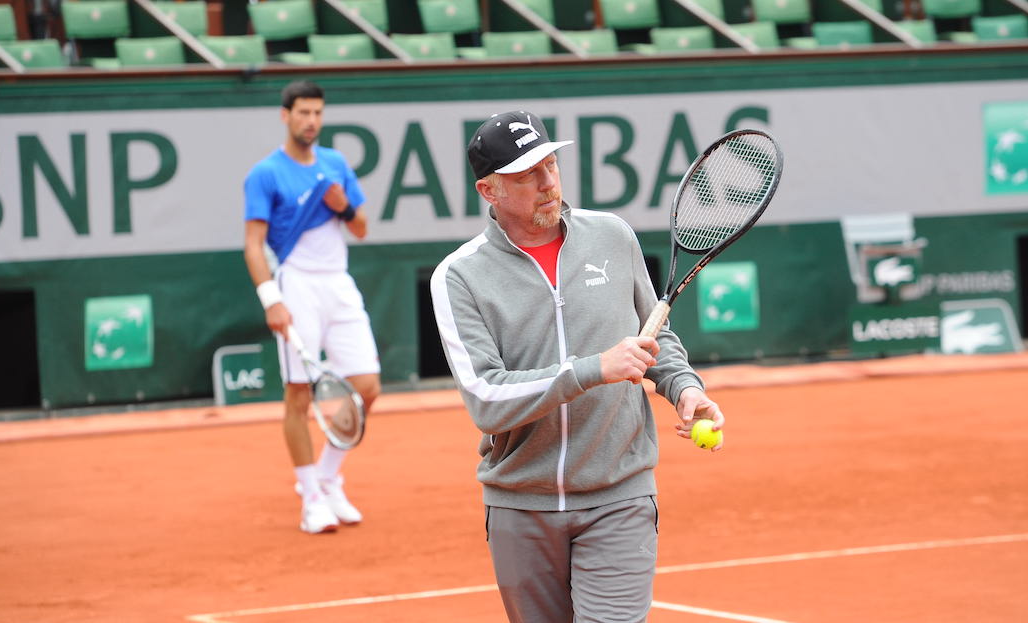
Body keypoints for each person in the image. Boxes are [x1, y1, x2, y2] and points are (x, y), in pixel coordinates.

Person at [430, 110, 726, 622]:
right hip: (521, 504)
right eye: (527, 175)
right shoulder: (459, 276)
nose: (548, 183)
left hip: (620, 494)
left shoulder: (612, 236)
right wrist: (591, 369)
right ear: (488, 190)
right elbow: (486, 398)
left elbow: (654, 336)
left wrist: (683, 387)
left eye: (550, 164)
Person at [242, 80, 381, 534]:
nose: (311, 120)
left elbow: (361, 228)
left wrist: (344, 208)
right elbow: (253, 244)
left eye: (317, 112)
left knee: (367, 387)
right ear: (286, 116)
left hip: (338, 282)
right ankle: (311, 499)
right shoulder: (265, 174)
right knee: (298, 395)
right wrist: (272, 300)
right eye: (303, 112)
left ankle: (325, 477)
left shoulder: (335, 164)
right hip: (295, 283)